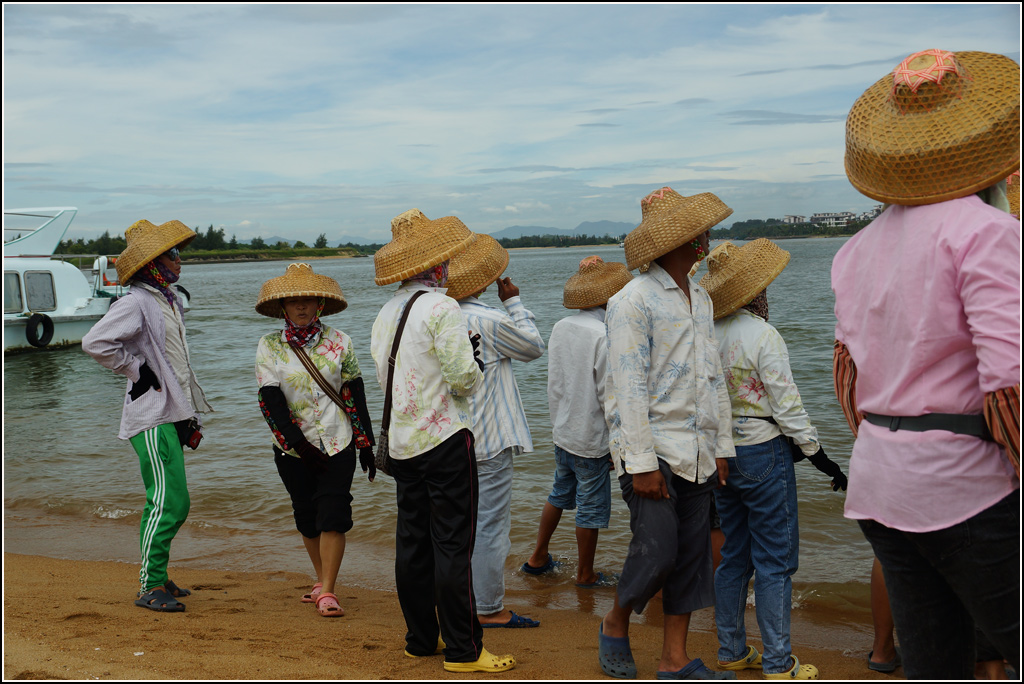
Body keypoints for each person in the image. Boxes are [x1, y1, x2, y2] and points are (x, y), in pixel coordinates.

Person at [833, 49, 1020, 680]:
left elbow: (847, 381)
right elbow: (1011, 383)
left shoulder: (855, 250)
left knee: (934, 661)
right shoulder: (987, 231)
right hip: (968, 487)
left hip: (883, 484)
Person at [599, 187, 736, 681]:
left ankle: (673, 659)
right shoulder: (632, 301)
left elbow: (712, 378)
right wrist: (640, 463)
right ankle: (615, 620)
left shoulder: (699, 296)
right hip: (653, 451)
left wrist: (722, 447)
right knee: (658, 551)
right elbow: (628, 387)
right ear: (684, 239)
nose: (707, 236)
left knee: (692, 560)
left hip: (698, 449)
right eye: (699, 230)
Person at [370, 208, 515, 674]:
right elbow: (464, 380)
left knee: (412, 544)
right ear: (435, 265)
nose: (450, 268)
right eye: (447, 261)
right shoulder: (441, 307)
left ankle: (420, 639)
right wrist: (472, 364)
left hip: (403, 444)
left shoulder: (386, 313)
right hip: (445, 439)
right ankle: (464, 650)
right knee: (453, 545)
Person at [700, 239, 849, 680]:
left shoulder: (706, 332)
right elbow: (787, 406)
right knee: (776, 563)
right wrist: (820, 457)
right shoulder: (763, 334)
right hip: (765, 453)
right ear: (753, 293)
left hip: (721, 458)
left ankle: (730, 650)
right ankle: (779, 663)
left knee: (734, 559)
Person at [82, 219, 213, 613]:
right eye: (173, 254)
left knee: (170, 501)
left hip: (170, 413)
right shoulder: (136, 301)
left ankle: (158, 574)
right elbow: (95, 342)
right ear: (153, 263)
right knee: (169, 502)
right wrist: (136, 368)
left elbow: (176, 360)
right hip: (151, 416)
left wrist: (188, 413)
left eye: (178, 253)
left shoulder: (166, 299)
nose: (179, 260)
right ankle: (150, 584)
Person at [254, 263, 376, 618]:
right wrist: (300, 445)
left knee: (334, 514)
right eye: (294, 302)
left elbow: (354, 394)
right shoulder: (269, 347)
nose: (302, 307)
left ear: (320, 304)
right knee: (307, 517)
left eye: (308, 300)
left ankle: (329, 591)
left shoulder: (341, 342)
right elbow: (270, 402)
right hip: (293, 449)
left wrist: (365, 442)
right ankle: (322, 581)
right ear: (283, 307)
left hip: (339, 442)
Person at [445, 233, 545, 628]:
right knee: (490, 527)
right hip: (489, 438)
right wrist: (515, 302)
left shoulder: (439, 316)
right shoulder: (488, 318)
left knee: (458, 526)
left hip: (451, 437)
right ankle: (489, 608)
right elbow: (534, 347)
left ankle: (458, 600)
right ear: (481, 282)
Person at [522, 255, 631, 587]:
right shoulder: (604, 334)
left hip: (564, 431)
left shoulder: (561, 326)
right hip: (592, 438)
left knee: (558, 493)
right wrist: (619, 442)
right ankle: (585, 574)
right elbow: (608, 395)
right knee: (591, 509)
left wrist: (558, 423)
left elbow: (554, 384)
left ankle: (537, 556)